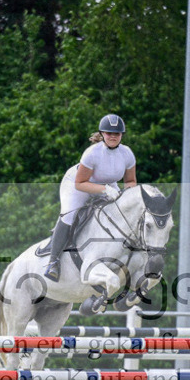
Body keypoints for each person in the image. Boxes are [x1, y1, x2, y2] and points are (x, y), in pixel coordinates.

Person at [44, 114, 138, 282]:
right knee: (69, 215)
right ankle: (53, 261)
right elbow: (80, 183)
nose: (113, 136)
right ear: (102, 134)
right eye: (109, 133)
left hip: (108, 185)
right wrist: (104, 190)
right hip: (78, 184)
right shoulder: (92, 153)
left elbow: (130, 181)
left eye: (117, 133)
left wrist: (126, 194)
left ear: (122, 135)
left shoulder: (127, 154)